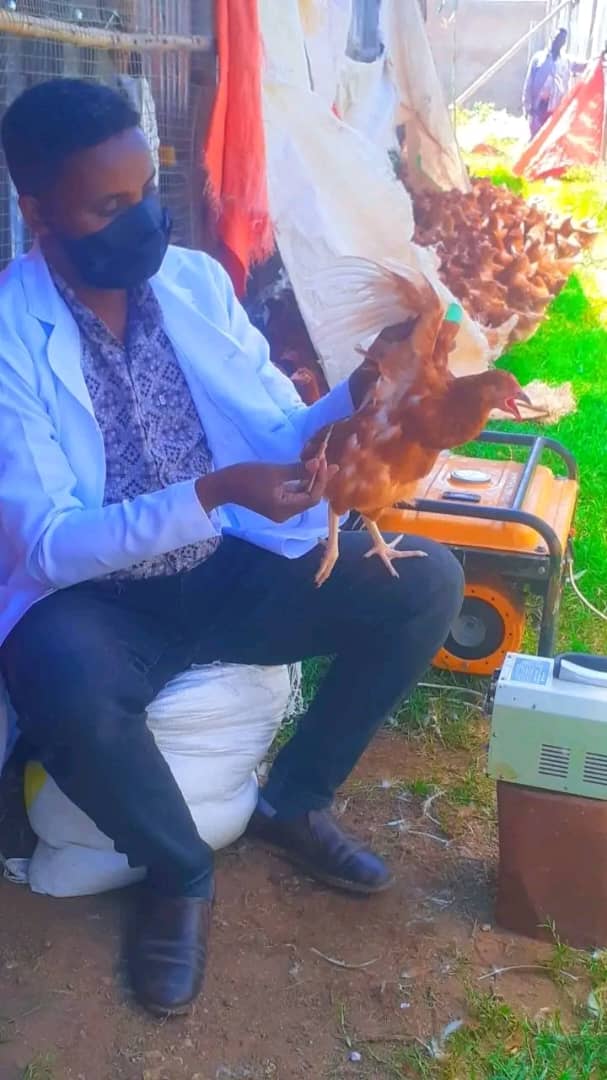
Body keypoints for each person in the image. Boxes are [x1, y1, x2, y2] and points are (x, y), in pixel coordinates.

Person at [0, 79, 463, 1017]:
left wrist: (363, 390)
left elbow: (276, 430)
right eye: (108, 207)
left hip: (226, 560)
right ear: (36, 211)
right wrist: (211, 493)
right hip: (99, 598)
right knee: (55, 672)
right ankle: (179, 874)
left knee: (426, 584)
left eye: (147, 192)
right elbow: (48, 543)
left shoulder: (194, 284)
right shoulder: (10, 330)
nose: (142, 222)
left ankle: (295, 798)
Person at [523, 28, 586, 137]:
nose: (558, 41)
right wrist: (527, 106)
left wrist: (599, 59)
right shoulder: (538, 58)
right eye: (557, 38)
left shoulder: (566, 60)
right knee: (536, 138)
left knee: (550, 139)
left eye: (561, 39)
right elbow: (528, 83)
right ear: (552, 37)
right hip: (539, 107)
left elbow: (583, 66)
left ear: (564, 42)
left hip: (556, 108)